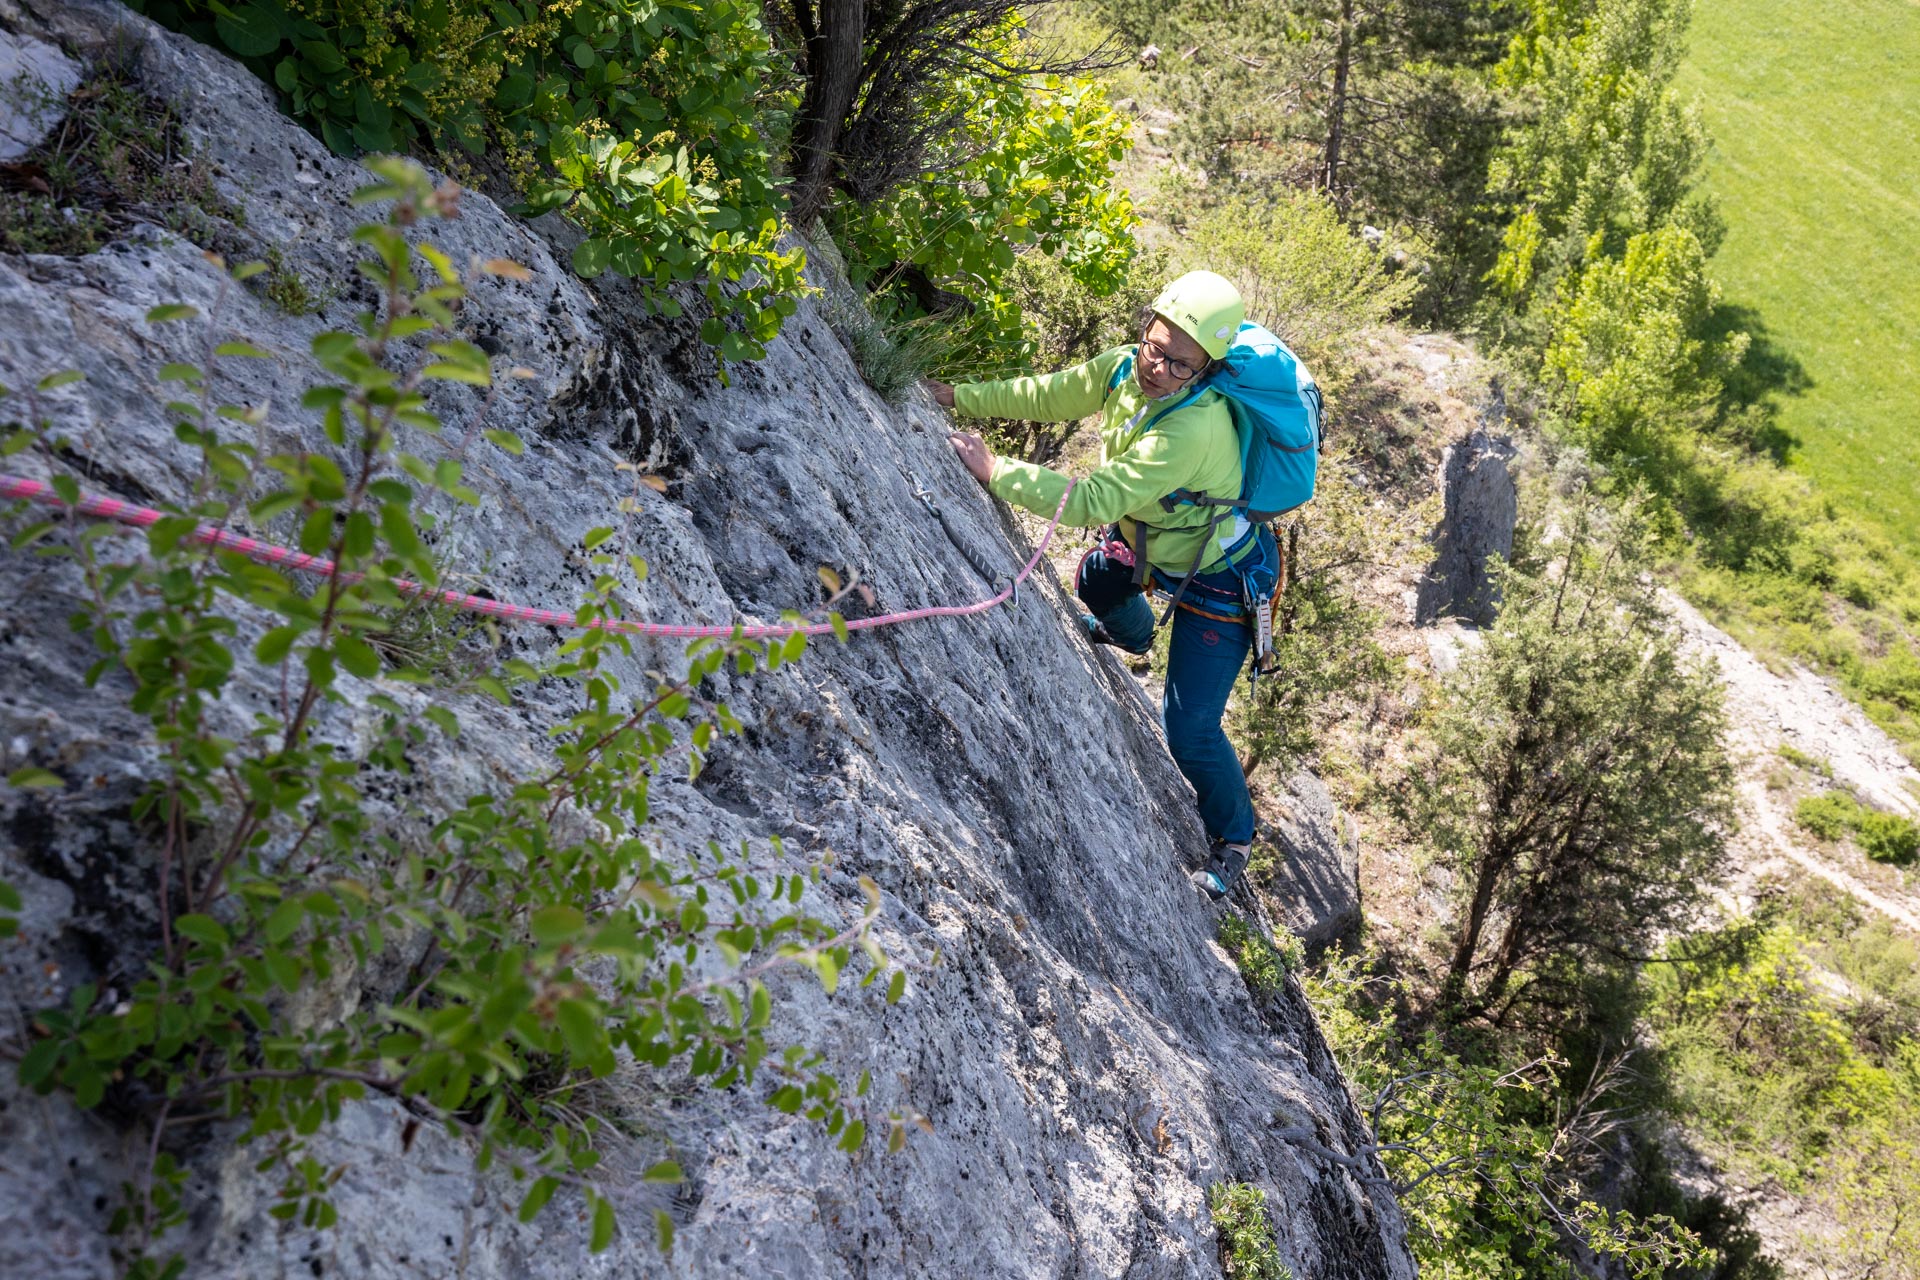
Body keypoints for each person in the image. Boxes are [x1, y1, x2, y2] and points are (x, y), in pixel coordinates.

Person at [924, 271, 1259, 901]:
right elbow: (1051, 394)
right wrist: (958, 396)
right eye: (1153, 347)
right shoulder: (1122, 370)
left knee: (1189, 729)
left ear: (1208, 370)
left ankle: (1235, 837)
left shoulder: (1193, 430)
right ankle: (1131, 638)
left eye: (1179, 365)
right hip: (1154, 546)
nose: (1156, 368)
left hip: (1221, 581)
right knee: (1094, 579)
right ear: (1145, 329)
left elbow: (1095, 498)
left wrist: (998, 470)